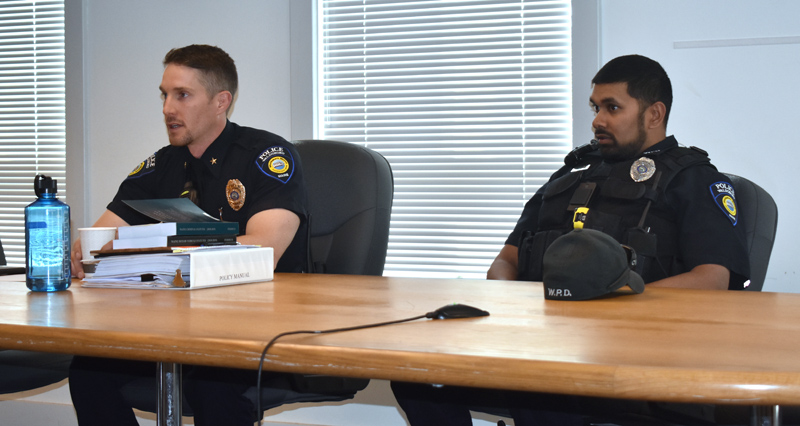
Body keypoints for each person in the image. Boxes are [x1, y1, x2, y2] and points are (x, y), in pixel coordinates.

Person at [391, 54, 750, 425]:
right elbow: (506, 259)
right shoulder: (574, 172)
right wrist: (513, 305)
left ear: (654, 114)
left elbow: (713, 279)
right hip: (541, 344)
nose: (598, 120)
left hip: (635, 355)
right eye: (596, 107)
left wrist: (614, 306)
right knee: (416, 372)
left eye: (612, 108)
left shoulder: (693, 180)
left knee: (544, 391)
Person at [68, 44, 308, 426]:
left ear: (221, 102)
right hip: (173, 327)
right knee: (88, 371)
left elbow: (264, 248)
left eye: (182, 95)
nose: (167, 108)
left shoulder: (265, 155)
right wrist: (91, 250)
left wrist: (164, 248)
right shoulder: (161, 165)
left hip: (252, 328)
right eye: (164, 95)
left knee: (211, 385)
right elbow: (96, 242)